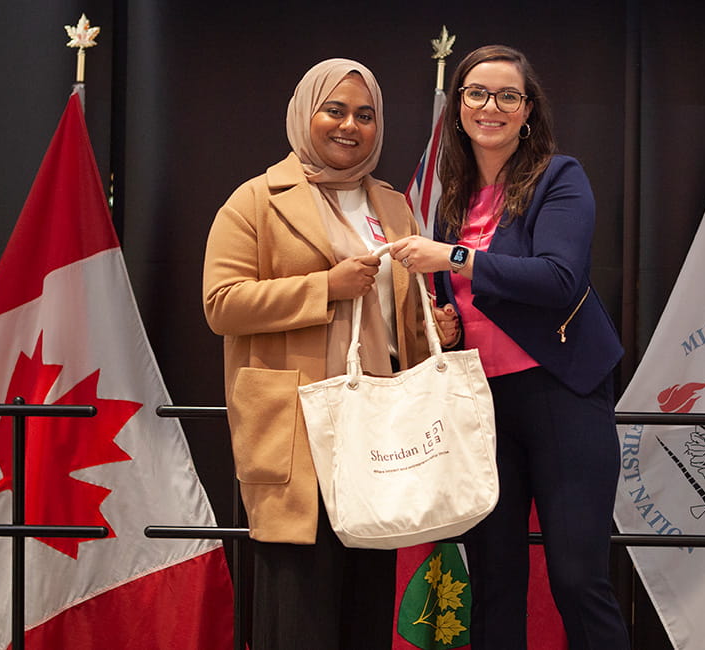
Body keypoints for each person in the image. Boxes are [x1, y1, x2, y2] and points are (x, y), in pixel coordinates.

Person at [203, 59, 453, 650]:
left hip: (380, 437)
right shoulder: (255, 200)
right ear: (304, 114)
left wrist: (431, 330)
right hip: (298, 432)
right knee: (299, 616)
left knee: (366, 610)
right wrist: (324, 288)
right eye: (334, 110)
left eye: (365, 115)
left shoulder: (393, 205)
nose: (349, 126)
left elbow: (397, 315)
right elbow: (222, 304)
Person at [391, 44, 630, 649]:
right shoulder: (450, 198)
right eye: (476, 93)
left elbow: (559, 278)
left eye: (507, 95)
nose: (490, 106)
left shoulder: (559, 177)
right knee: (494, 581)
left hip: (561, 393)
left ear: (527, 111)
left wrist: (453, 257)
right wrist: (447, 327)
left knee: (577, 578)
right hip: (481, 404)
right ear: (458, 107)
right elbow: (463, 299)